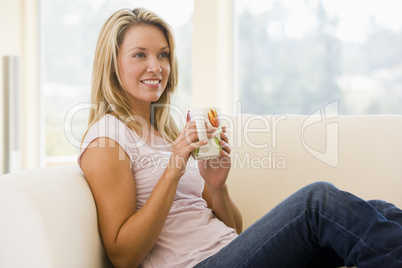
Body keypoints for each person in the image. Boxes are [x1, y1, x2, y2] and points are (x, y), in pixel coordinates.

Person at [78, 7, 402, 268]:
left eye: (163, 55)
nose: (156, 66)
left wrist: (216, 187)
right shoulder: (107, 138)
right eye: (140, 55)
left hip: (227, 252)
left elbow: (234, 231)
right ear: (113, 63)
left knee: (380, 211)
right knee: (318, 202)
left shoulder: (165, 132)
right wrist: (174, 167)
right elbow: (123, 256)